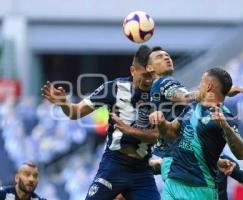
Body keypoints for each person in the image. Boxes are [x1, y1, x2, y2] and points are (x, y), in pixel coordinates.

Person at [41, 45, 160, 200]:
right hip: (114, 164)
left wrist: (130, 131)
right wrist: (63, 103)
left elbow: (158, 136)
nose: (148, 80)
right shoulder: (112, 88)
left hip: (142, 170)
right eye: (144, 75)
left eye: (151, 75)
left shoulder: (158, 95)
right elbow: (76, 112)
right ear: (133, 71)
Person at [145, 46, 243, 181]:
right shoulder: (165, 82)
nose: (166, 58)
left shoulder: (156, 88)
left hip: (175, 154)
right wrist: (219, 90)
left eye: (168, 56)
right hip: (179, 157)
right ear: (150, 68)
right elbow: (185, 97)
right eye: (160, 57)